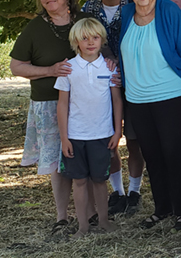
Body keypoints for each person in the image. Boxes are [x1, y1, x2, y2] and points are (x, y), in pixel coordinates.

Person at [9, 0, 95, 234]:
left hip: (86, 102)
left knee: (86, 155)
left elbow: (103, 52)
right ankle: (62, 216)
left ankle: (90, 212)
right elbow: (16, 67)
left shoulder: (84, 21)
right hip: (48, 102)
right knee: (60, 161)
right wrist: (50, 70)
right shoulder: (35, 27)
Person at [117, 0, 181, 231]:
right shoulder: (126, 13)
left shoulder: (168, 11)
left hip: (171, 96)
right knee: (151, 155)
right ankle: (162, 208)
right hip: (137, 100)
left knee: (174, 153)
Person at [81, 0, 145, 216]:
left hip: (135, 81)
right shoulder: (88, 8)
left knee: (134, 140)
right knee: (108, 141)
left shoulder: (134, 4)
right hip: (101, 84)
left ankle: (135, 191)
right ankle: (117, 191)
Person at [55, 18, 122, 238]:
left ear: (102, 40)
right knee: (80, 181)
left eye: (95, 37)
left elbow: (116, 101)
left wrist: (117, 131)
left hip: (102, 135)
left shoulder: (109, 67)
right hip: (75, 135)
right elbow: (62, 104)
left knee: (100, 181)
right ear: (76, 42)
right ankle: (83, 226)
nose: (90, 42)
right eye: (84, 38)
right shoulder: (68, 68)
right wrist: (64, 138)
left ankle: (103, 221)